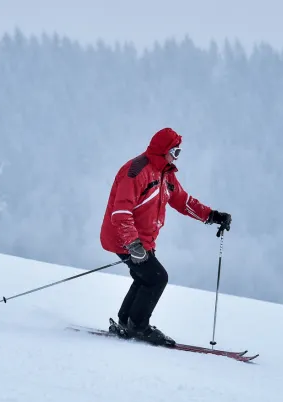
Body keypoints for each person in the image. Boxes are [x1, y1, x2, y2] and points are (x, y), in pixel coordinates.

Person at [99, 127, 231, 345]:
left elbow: (183, 201)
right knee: (157, 278)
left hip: (143, 240)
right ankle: (138, 327)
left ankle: (126, 321)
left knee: (145, 277)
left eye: (179, 152)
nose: (177, 156)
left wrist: (213, 216)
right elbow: (120, 212)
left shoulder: (165, 174)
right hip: (124, 238)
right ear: (163, 151)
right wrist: (133, 244)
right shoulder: (136, 171)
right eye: (175, 151)